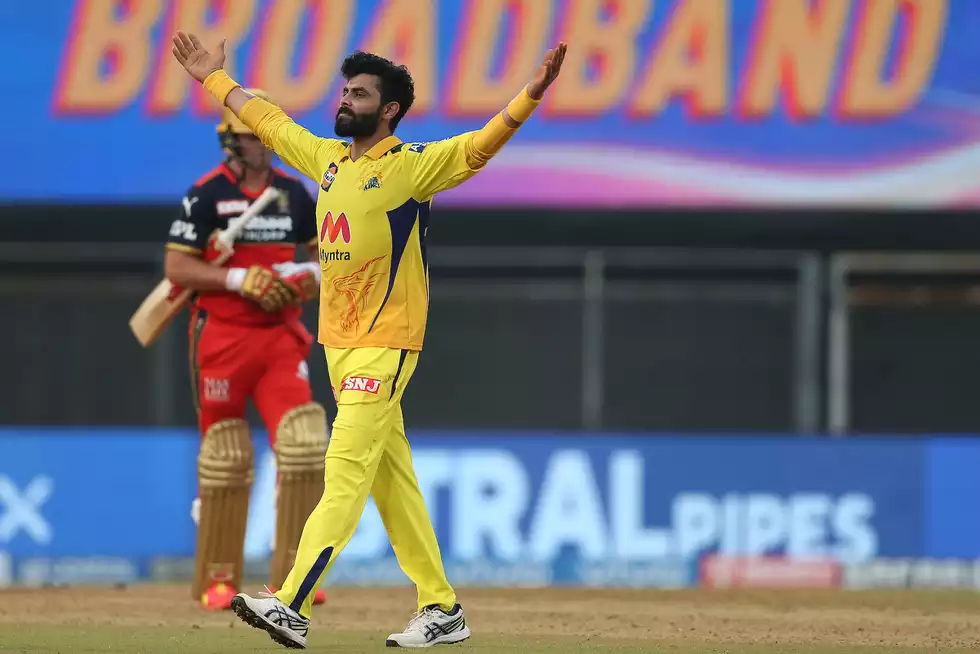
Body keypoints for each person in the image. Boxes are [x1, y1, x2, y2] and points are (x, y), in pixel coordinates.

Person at [171, 30, 566, 648]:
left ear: (388, 110)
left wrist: (530, 96)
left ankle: (291, 602)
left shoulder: (411, 168)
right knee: (390, 480)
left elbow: (479, 147)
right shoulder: (328, 162)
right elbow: (270, 124)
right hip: (338, 344)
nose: (345, 99)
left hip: (388, 341)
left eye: (359, 93)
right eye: (344, 90)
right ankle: (442, 609)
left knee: (345, 470)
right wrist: (213, 82)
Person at [164, 89, 329, 611]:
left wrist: (303, 279)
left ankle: (295, 580)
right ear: (231, 140)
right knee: (226, 456)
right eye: (253, 136)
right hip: (223, 339)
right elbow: (178, 269)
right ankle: (218, 576)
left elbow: (327, 261)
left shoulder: (295, 194)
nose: (264, 145)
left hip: (280, 339)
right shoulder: (206, 195)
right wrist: (239, 278)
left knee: (304, 444)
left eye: (268, 134)